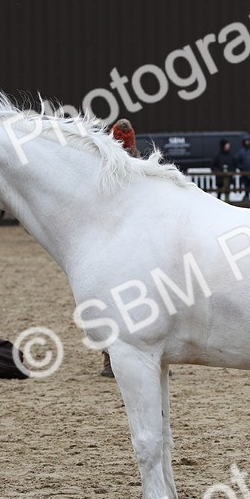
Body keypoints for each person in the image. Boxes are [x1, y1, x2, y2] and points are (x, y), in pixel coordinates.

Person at [99, 119, 141, 378]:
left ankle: (109, 359)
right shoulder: (140, 167)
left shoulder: (104, 167)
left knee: (109, 301)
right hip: (137, 243)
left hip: (112, 242)